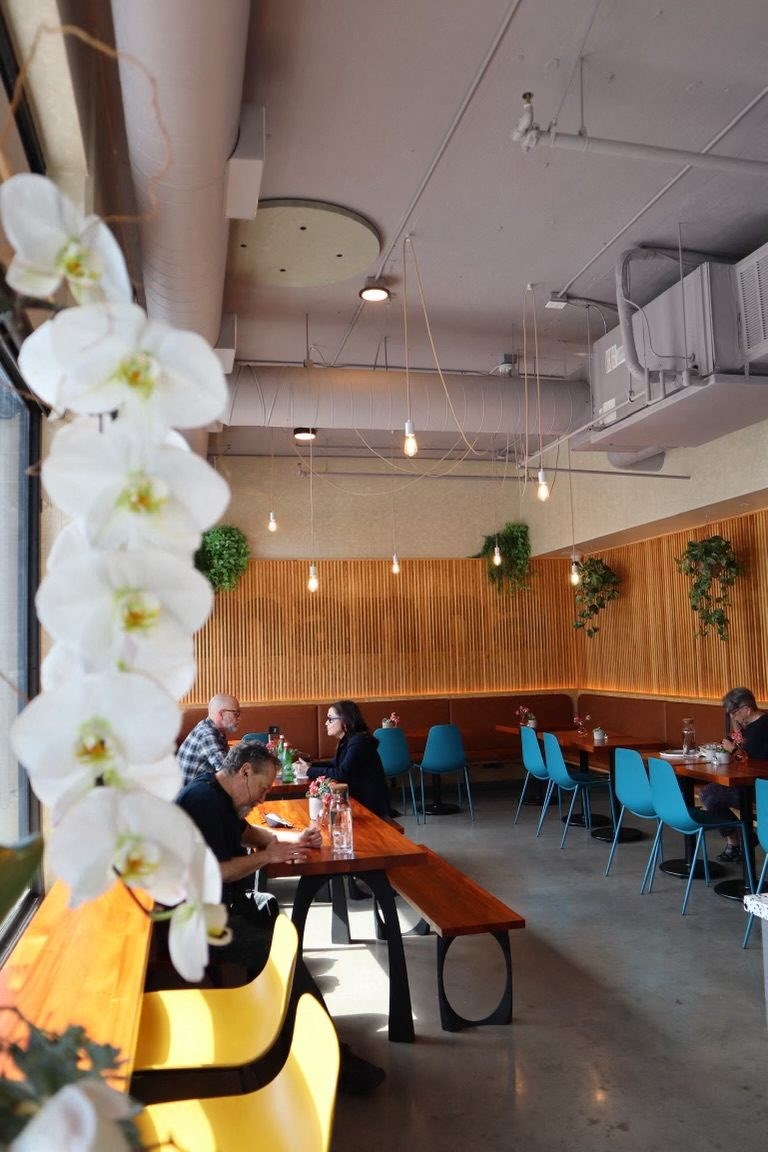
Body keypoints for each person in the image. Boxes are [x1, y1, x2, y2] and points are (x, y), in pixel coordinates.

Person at [176, 740, 385, 1095]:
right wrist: (266, 856)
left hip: (214, 905)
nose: (261, 799)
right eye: (262, 788)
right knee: (285, 959)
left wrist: (290, 840)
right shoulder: (203, 803)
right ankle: (331, 1057)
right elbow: (213, 874)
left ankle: (278, 1027)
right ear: (244, 772)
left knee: (272, 911)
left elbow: (248, 833)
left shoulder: (216, 792)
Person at [700, 687, 768, 862]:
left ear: (746, 709)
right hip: (746, 783)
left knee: (710, 795)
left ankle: (740, 840)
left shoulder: (764, 726)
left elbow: (753, 761)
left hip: (759, 787)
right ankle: (738, 840)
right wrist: (735, 731)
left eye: (733, 713)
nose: (732, 717)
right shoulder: (748, 727)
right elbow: (736, 741)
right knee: (708, 794)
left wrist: (733, 751)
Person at [298, 700, 391, 820]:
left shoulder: (358, 741)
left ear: (345, 720)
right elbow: (335, 763)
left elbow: (342, 773)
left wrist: (309, 771)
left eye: (330, 719)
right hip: (359, 799)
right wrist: (310, 765)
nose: (326, 723)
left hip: (370, 806)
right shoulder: (348, 740)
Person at [178, 693, 241, 787]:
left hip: (199, 789)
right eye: (236, 713)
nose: (239, 718)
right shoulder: (207, 735)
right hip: (190, 798)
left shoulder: (212, 728)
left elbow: (228, 760)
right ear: (221, 714)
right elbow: (228, 772)